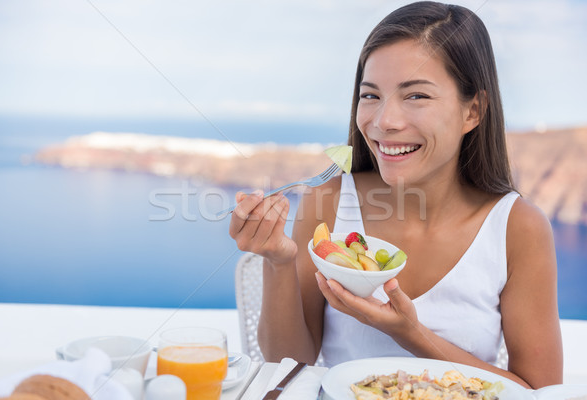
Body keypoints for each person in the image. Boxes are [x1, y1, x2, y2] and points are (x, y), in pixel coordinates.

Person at [228, 1, 562, 389]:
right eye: (370, 96)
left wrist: (411, 334)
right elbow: (289, 361)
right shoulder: (329, 202)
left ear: (473, 110)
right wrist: (278, 261)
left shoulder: (517, 228)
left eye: (416, 96)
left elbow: (540, 392)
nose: (385, 121)